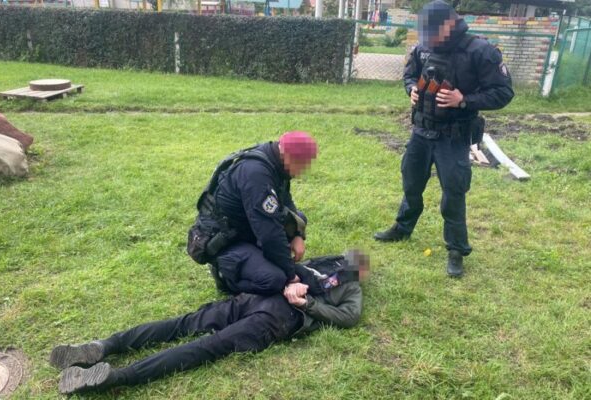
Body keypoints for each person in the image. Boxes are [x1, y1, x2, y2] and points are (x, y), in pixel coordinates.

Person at [50, 251, 368, 394]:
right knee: (199, 336)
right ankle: (108, 355)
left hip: (282, 313)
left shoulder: (350, 286)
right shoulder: (327, 266)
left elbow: (349, 317)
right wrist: (291, 281)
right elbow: (290, 268)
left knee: (199, 335)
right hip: (263, 300)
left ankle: (110, 363)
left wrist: (307, 303)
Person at [374, 0, 514, 277]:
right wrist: (411, 89)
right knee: (411, 182)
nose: (427, 39)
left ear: (450, 25)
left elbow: (503, 93)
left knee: (453, 193)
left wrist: (464, 100)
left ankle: (456, 249)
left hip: (453, 136)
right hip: (421, 131)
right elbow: (409, 75)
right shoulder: (423, 47)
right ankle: (403, 228)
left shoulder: (481, 51)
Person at [187, 131, 318, 295]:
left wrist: (298, 234)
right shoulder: (256, 174)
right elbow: (269, 233)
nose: (303, 171)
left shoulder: (276, 161)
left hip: (247, 226)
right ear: (288, 156)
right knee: (275, 279)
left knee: (299, 219)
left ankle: (258, 260)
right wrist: (291, 276)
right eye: (302, 165)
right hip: (227, 240)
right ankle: (225, 277)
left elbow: (285, 201)